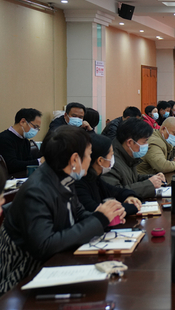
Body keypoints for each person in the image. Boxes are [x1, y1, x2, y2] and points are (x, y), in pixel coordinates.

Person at [0, 126, 124, 294]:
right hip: (22, 276)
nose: (90, 159)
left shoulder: (63, 176)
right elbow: (44, 245)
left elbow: (78, 213)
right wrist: (99, 219)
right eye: (89, 154)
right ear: (74, 159)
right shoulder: (37, 191)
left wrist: (106, 216)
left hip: (52, 264)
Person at [75, 134, 142, 217]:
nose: (113, 158)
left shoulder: (95, 178)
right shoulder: (79, 183)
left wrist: (129, 197)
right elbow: (99, 212)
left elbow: (115, 191)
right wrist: (132, 206)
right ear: (100, 160)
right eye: (111, 155)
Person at [103, 118, 166, 199]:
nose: (147, 144)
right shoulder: (111, 162)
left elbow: (133, 179)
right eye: (144, 141)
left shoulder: (128, 156)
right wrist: (149, 184)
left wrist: (153, 178)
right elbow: (115, 192)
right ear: (130, 142)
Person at [0, 108, 43, 174]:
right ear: (22, 122)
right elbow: (12, 165)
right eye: (35, 127)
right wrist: (38, 162)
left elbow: (28, 161)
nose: (36, 130)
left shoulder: (25, 141)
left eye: (38, 128)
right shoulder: (4, 138)